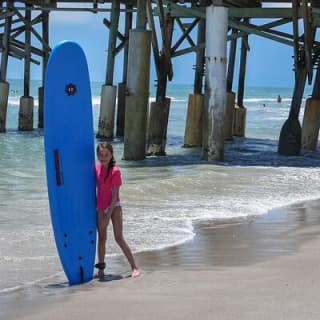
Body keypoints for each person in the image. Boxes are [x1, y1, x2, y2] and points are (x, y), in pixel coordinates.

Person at [95, 142, 140, 279]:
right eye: (101, 155)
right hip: (101, 206)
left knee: (118, 237)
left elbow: (114, 196)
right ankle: (101, 269)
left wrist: (108, 216)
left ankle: (134, 267)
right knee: (102, 238)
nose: (103, 158)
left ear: (111, 155)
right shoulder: (96, 168)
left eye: (106, 155)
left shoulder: (115, 171)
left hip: (114, 206)